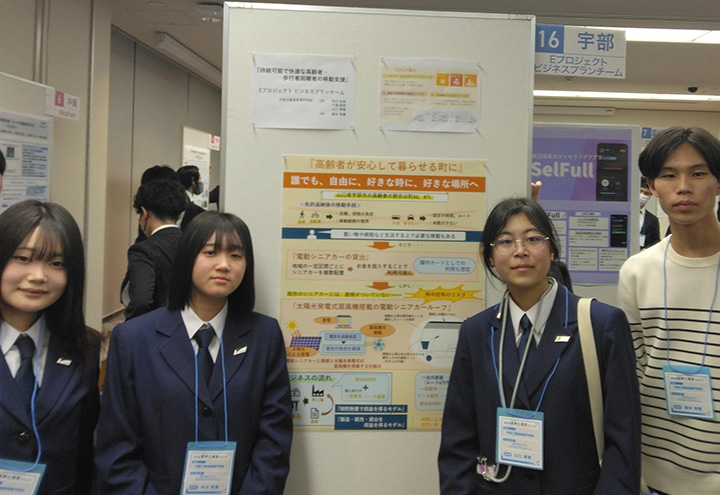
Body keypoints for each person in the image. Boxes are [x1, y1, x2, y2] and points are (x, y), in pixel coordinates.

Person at [439, 197, 640, 494]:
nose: (520, 251)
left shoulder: (601, 324)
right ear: (489, 257)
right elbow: (458, 438)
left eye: (533, 239)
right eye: (505, 242)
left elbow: (623, 438)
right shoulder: (476, 332)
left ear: (552, 250)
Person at [96, 211, 293, 494]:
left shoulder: (264, 335)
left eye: (236, 255)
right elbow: (116, 445)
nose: (224, 265)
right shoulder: (134, 339)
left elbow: (274, 439)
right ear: (188, 258)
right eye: (210, 252)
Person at [618, 127, 720, 495]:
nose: (683, 187)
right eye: (668, 175)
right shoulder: (637, 271)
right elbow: (635, 370)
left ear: (718, 182)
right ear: (651, 186)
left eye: (698, 173)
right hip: (657, 474)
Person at [0, 200, 100, 494]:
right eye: (23, 258)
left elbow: (84, 453)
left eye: (56, 263)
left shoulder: (85, 347)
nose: (38, 275)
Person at [120, 179, 187, 320]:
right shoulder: (193, 243)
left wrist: (130, 327)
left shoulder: (143, 250)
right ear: (179, 215)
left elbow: (141, 301)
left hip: (158, 325)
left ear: (145, 213)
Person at [177, 165, 205, 230]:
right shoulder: (187, 203)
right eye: (200, 179)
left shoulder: (180, 198)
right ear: (193, 181)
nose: (201, 182)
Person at [640, 176, 661, 249]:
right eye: (640, 191)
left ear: (650, 196)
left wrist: (646, 249)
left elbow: (656, 242)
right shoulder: (621, 214)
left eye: (646, 193)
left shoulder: (653, 220)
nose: (642, 195)